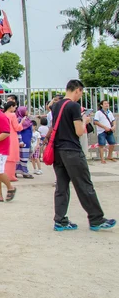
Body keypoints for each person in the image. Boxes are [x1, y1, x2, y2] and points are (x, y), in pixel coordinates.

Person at [49, 79, 116, 231]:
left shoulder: (56, 106)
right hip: (72, 150)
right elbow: (79, 131)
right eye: (81, 92)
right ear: (77, 90)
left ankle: (60, 220)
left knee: (61, 186)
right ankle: (96, 219)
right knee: (84, 184)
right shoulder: (74, 106)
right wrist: (85, 120)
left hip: (58, 151)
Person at [3, 101, 21, 182]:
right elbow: (17, 127)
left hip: (4, 136)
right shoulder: (13, 115)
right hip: (12, 136)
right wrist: (22, 123)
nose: (15, 109)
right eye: (14, 107)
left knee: (6, 156)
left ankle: (5, 175)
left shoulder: (3, 114)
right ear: (11, 107)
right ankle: (11, 176)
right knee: (12, 155)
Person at [16, 106, 34, 178]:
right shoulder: (20, 120)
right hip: (23, 141)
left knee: (25, 157)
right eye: (26, 110)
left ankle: (21, 171)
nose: (27, 111)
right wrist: (20, 141)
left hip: (27, 140)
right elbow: (18, 131)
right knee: (22, 157)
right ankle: (24, 171)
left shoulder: (26, 119)